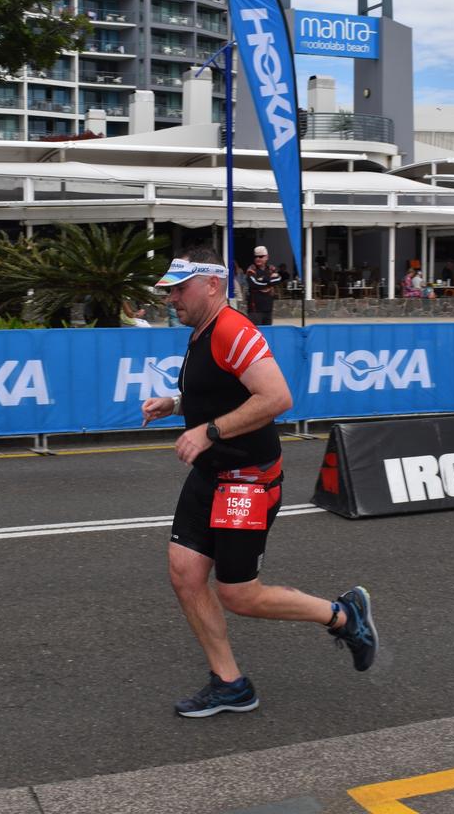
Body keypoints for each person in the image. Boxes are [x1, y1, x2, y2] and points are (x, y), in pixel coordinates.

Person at [142, 247, 378, 717]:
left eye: (179, 288)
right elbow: (220, 391)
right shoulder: (201, 331)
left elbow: (277, 397)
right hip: (212, 474)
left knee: (238, 594)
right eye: (168, 290)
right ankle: (230, 684)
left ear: (212, 284)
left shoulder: (232, 328)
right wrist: (177, 403)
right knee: (185, 575)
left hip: (246, 482)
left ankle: (342, 615)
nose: (171, 299)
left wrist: (208, 431)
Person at [246, 245, 282, 325]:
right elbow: (255, 283)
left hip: (268, 308)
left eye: (261, 256)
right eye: (256, 257)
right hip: (255, 310)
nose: (258, 259)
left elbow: (278, 279)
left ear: (267, 257)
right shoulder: (251, 270)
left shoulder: (271, 268)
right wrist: (270, 280)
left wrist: (264, 279)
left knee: (267, 334)